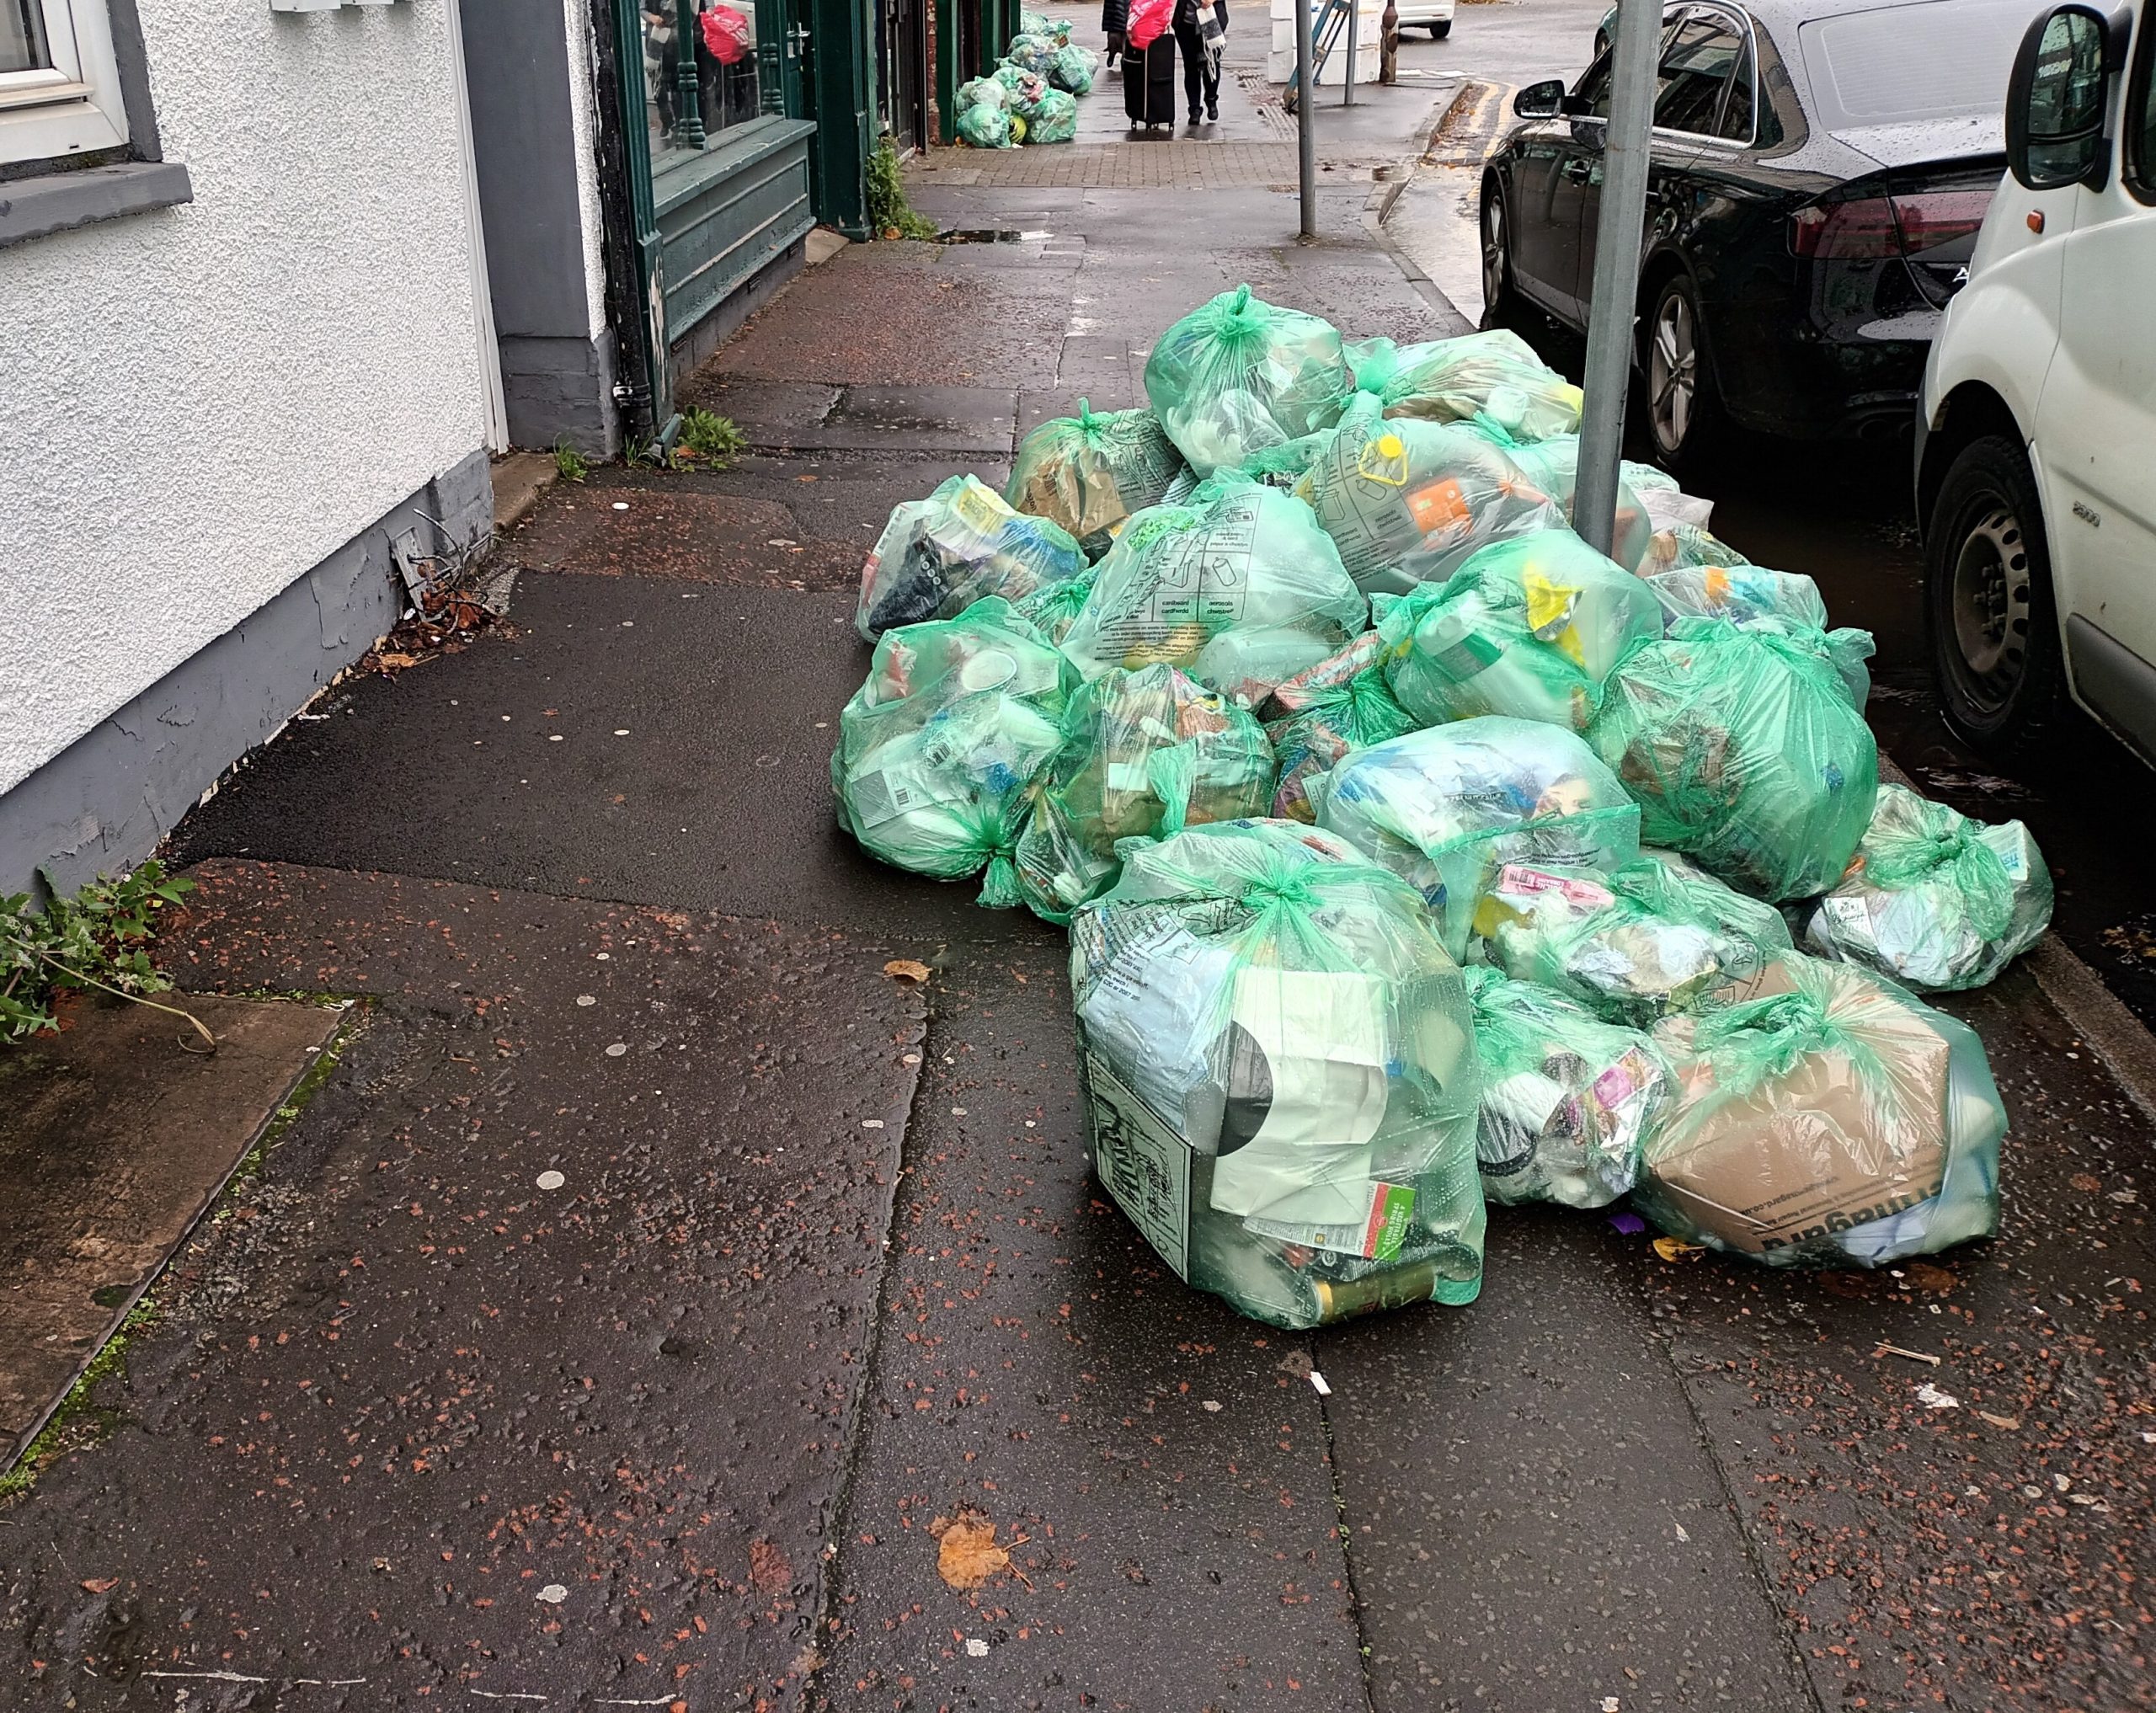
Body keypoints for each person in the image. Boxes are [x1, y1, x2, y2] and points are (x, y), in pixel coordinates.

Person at [1173, 0, 1227, 125]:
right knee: (1191, 67)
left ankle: (1211, 99)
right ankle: (1194, 109)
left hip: (1211, 19)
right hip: (1187, 25)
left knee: (1212, 63)